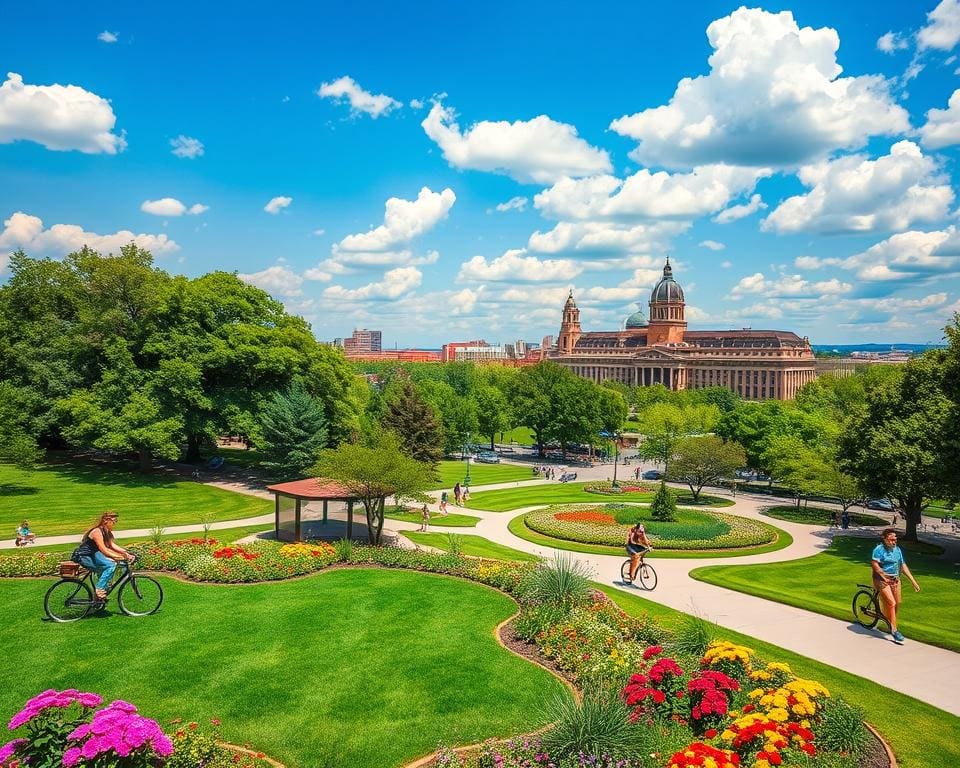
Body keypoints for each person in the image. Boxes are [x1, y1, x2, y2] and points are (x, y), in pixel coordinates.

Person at [871, 528, 920, 644]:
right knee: (891, 603)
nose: (894, 542)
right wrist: (883, 576)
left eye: (895, 540)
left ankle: (888, 620)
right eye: (891, 540)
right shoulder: (879, 550)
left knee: (897, 603)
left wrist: (913, 581)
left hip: (895, 580)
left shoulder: (897, 550)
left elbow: (902, 565)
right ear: (885, 539)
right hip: (881, 580)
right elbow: (874, 564)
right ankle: (894, 630)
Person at [73, 512, 135, 600]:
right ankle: (99, 589)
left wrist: (127, 553)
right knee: (110, 565)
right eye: (114, 521)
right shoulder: (97, 532)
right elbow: (104, 550)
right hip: (85, 556)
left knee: (109, 565)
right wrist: (120, 557)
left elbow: (112, 545)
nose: (115, 523)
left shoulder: (106, 532)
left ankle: (98, 600)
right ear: (106, 520)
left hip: (94, 554)